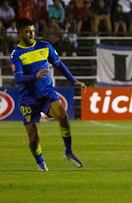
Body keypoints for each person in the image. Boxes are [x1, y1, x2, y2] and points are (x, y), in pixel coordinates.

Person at [10, 19, 87, 171]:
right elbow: (18, 78)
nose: (31, 33)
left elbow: (59, 64)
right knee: (34, 139)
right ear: (20, 33)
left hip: (46, 93)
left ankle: (68, 152)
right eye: (27, 31)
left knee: (63, 117)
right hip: (28, 99)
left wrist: (74, 80)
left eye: (32, 30)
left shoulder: (45, 46)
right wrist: (35, 76)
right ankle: (40, 162)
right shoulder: (16, 54)